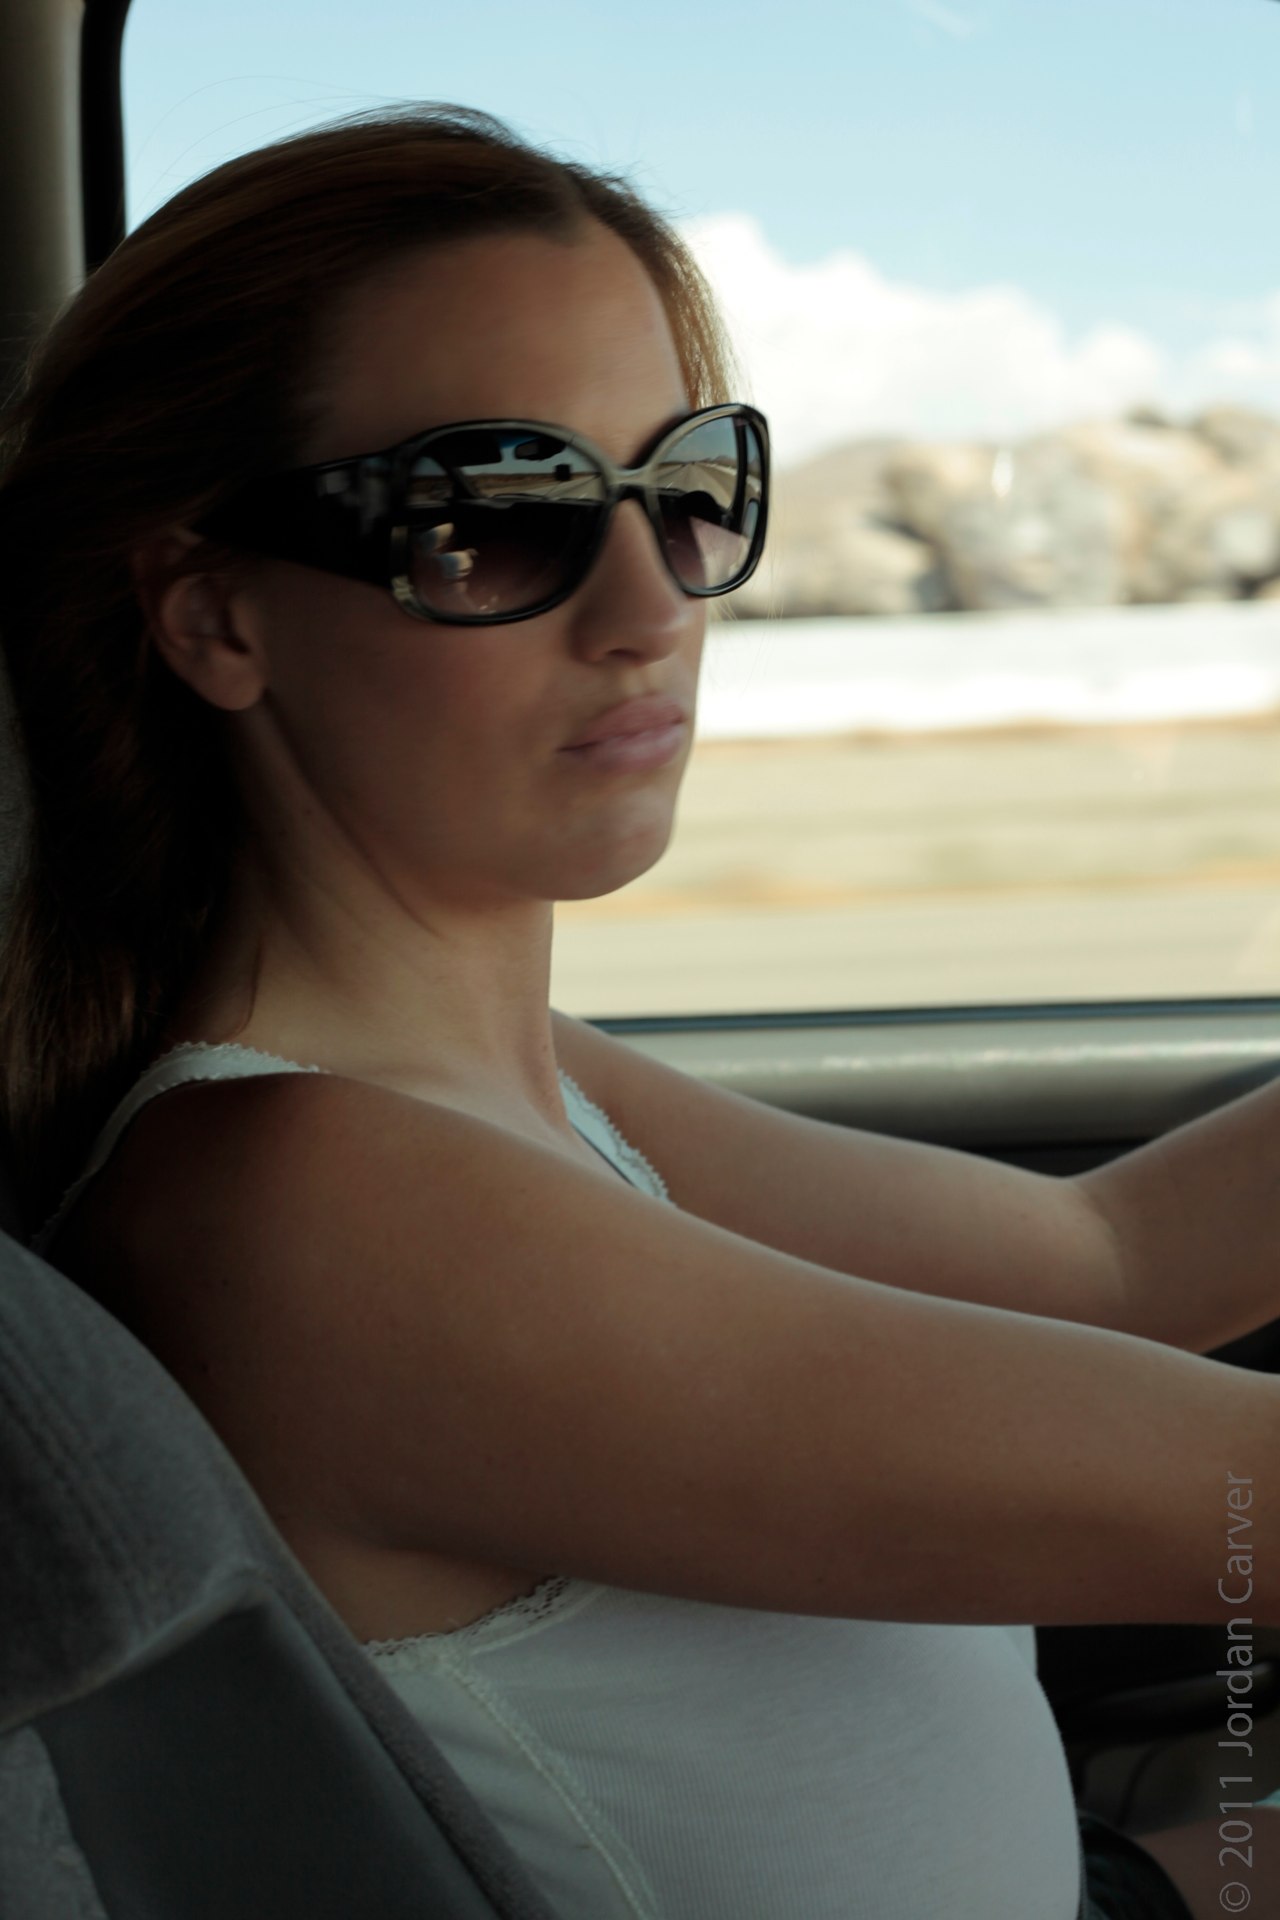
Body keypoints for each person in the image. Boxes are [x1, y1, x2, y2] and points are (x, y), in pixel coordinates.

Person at [0, 105, 1275, 1920]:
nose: (648, 604)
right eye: (490, 515)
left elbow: (1102, 1261)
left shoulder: (488, 1090)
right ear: (215, 617)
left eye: (686, 487)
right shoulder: (320, 1203)